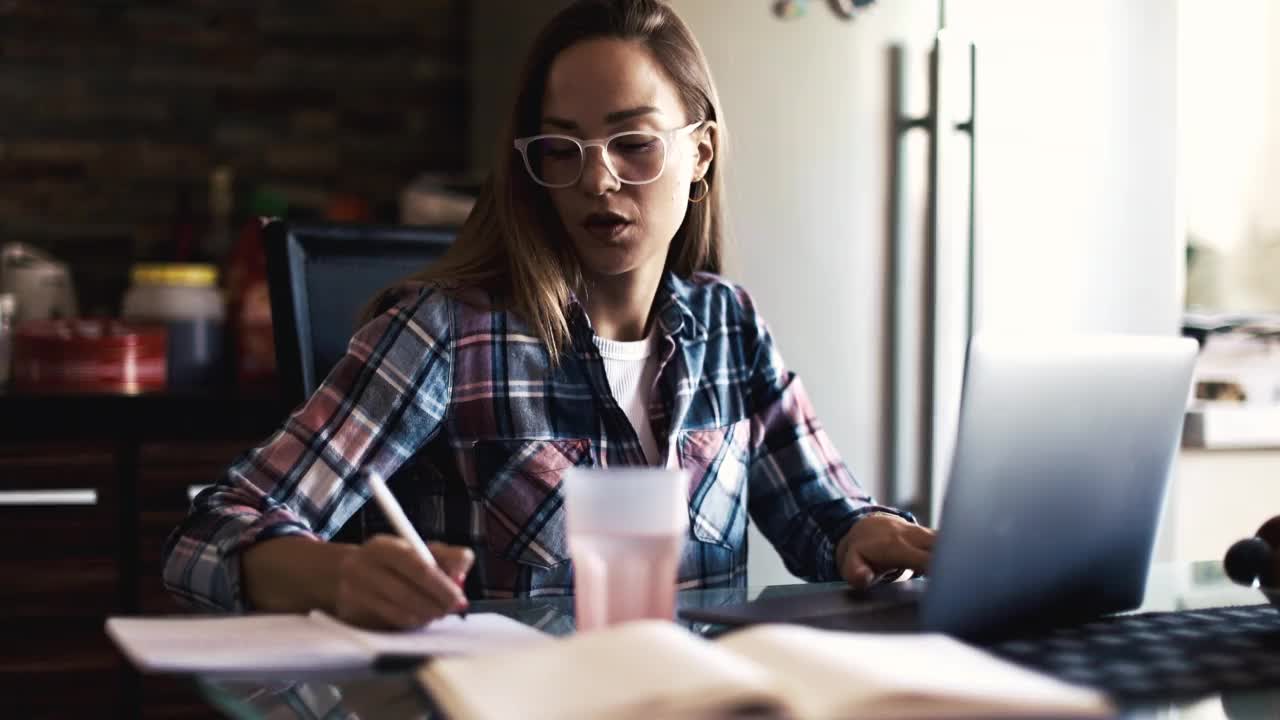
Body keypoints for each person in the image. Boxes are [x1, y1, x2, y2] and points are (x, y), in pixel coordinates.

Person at [162, 0, 935, 630]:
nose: (597, 181)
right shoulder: (444, 333)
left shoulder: (728, 326)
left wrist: (864, 534)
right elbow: (210, 535)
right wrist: (335, 575)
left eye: (633, 143)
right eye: (562, 151)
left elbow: (824, 518)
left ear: (700, 153)